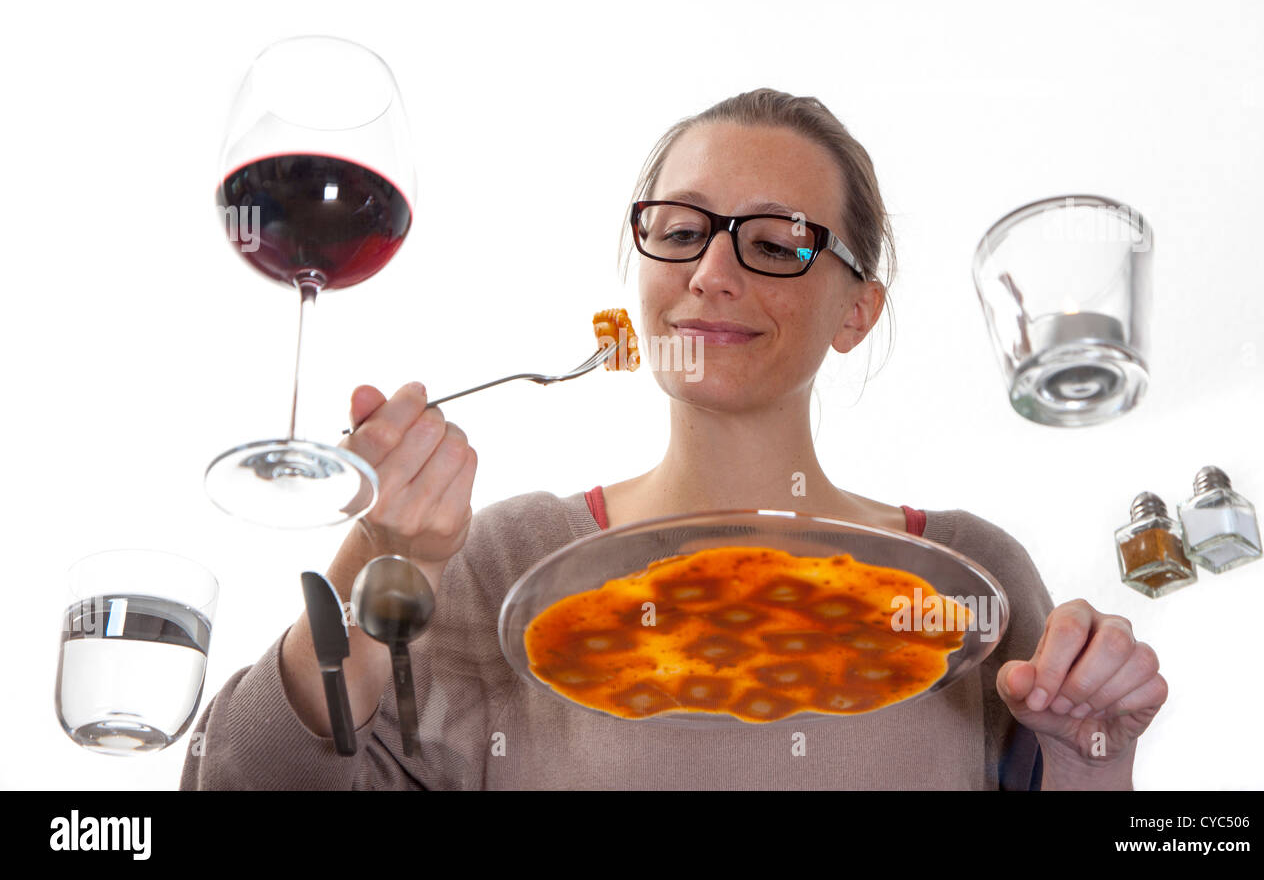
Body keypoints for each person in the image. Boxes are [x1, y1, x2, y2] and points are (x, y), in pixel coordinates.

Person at [181, 88, 1166, 790]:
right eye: (680, 229)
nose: (711, 273)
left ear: (856, 311)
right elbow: (235, 786)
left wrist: (1095, 749)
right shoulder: (497, 563)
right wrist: (372, 572)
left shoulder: (969, 573)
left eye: (777, 243)